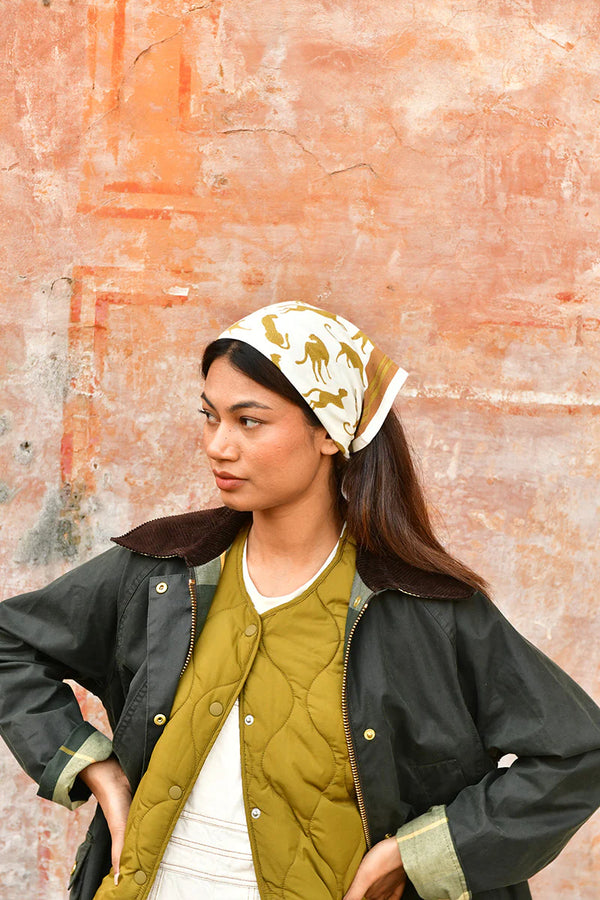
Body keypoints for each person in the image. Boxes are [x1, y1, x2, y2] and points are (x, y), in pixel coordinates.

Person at [0, 301, 599, 900]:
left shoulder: (422, 607)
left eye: (249, 421)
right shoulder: (162, 569)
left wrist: (413, 855)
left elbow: (576, 753)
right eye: (209, 416)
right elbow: (11, 644)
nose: (218, 446)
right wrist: (98, 771)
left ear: (328, 433)